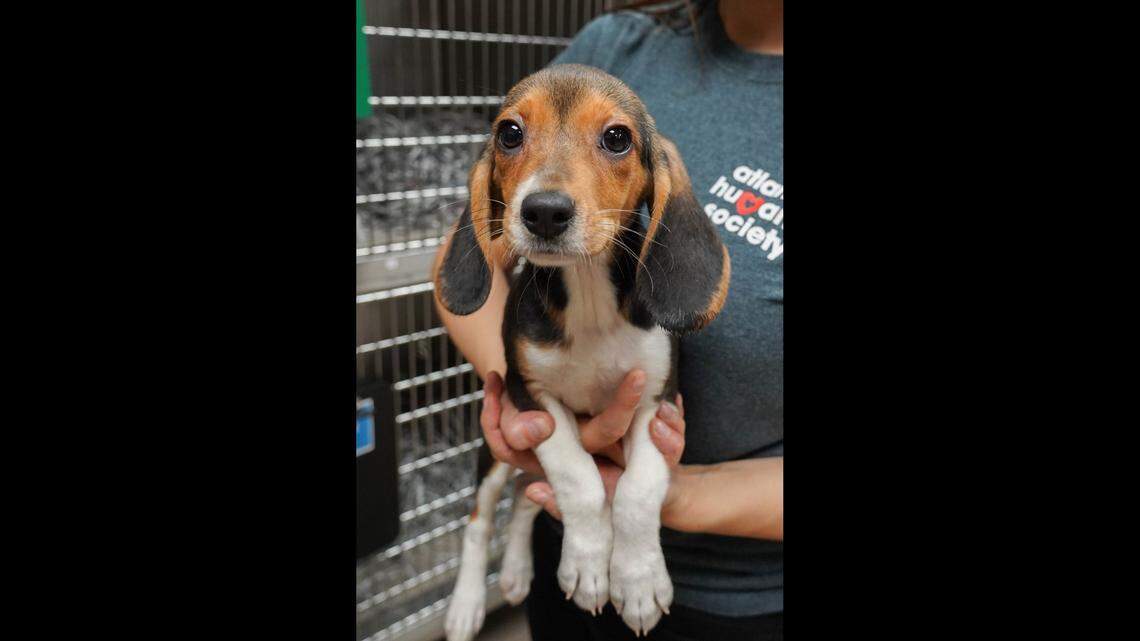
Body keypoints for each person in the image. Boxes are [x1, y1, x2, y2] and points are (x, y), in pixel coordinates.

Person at [436, 1, 783, 638]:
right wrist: (525, 408)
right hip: (562, 554)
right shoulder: (615, 43)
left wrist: (653, 501)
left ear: (654, 182)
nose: (551, 193)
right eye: (515, 135)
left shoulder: (654, 309)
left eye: (614, 139)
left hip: (743, 606)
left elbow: (655, 404)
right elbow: (466, 275)